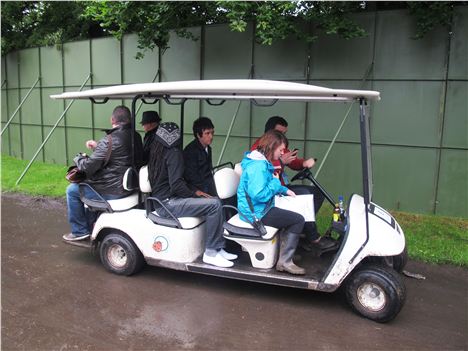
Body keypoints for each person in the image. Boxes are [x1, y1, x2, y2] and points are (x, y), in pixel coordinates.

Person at [147, 122, 237, 268]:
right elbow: (176, 185)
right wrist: (196, 194)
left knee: (214, 201)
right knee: (214, 204)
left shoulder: (157, 152)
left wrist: (195, 193)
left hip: (162, 201)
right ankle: (211, 253)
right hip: (168, 204)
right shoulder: (174, 153)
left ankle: (218, 247)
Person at [251, 115, 333, 251]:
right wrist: (281, 162)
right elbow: (267, 175)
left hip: (278, 188)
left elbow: (290, 160)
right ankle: (312, 238)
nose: (283, 137)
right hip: (268, 198)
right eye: (280, 133)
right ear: (270, 134)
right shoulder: (257, 153)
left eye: (284, 134)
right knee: (305, 197)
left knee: (316, 193)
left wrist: (303, 163)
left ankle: (304, 231)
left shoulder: (276, 146)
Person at [64, 105, 144, 241]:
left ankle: (79, 231)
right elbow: (119, 153)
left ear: (112, 119)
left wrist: (79, 157)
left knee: (72, 190)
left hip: (112, 190)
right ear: (129, 119)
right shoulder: (135, 136)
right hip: (128, 186)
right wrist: (98, 146)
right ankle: (90, 226)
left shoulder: (109, 140)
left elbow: (87, 167)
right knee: (87, 186)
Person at [238, 130, 306, 275]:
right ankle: (285, 261)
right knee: (298, 220)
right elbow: (259, 195)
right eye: (281, 150)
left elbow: (269, 182)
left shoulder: (261, 161)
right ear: (272, 146)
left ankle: (286, 253)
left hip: (260, 207)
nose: (282, 153)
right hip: (255, 212)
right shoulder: (258, 167)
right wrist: (276, 185)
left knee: (292, 213)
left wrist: (284, 189)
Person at [183, 117, 217, 197]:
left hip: (208, 185)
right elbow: (191, 177)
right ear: (198, 135)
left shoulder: (208, 148)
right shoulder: (190, 151)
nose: (211, 136)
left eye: (212, 133)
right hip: (198, 190)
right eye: (207, 133)